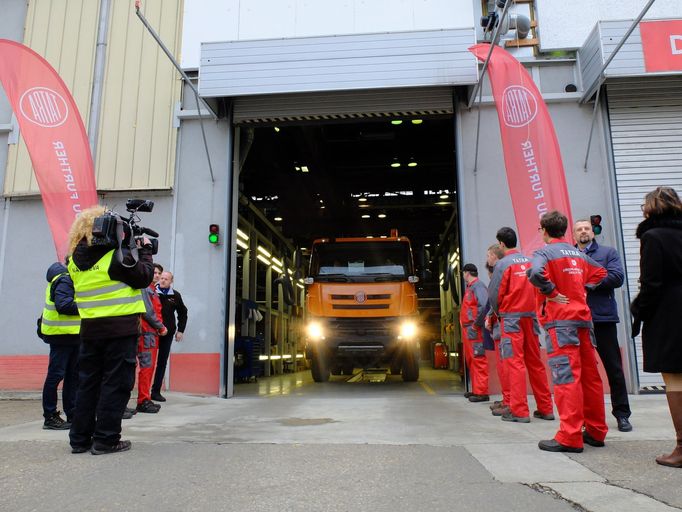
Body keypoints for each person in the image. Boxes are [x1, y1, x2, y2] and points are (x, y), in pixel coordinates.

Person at [67, 205, 154, 455]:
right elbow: (145, 276)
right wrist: (145, 249)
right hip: (120, 330)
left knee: (88, 384)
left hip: (90, 331)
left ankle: (80, 439)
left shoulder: (74, 261)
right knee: (116, 384)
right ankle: (106, 439)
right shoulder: (115, 258)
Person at [528, 210, 608, 453]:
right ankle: (595, 431)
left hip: (560, 322)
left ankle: (570, 436)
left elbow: (534, 273)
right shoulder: (578, 254)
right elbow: (602, 273)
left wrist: (552, 293)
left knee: (567, 378)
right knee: (590, 378)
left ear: (544, 230)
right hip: (583, 320)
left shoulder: (544, 252)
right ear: (564, 230)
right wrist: (580, 289)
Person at [631, 186, 682, 468]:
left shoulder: (653, 237)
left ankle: (681, 447)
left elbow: (651, 284)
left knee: (674, 379)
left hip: (669, 313)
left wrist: (637, 310)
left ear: (651, 208)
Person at [489, 227, 554, 424]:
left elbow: (494, 294)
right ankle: (545, 408)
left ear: (501, 243)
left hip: (511, 320)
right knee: (535, 363)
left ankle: (519, 410)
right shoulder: (530, 261)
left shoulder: (502, 264)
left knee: (514, 363)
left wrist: (499, 313)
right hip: (530, 318)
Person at [573, 219, 632, 433]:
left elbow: (617, 277)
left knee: (614, 369)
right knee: (579, 373)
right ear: (573, 235)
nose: (583, 232)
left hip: (602, 319)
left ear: (593, 232)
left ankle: (622, 415)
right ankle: (583, 418)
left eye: (586, 228)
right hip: (577, 320)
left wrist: (587, 284)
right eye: (579, 229)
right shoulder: (569, 256)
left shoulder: (608, 253)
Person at [39, 262, 81, 430]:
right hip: (60, 335)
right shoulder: (65, 279)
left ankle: (71, 413)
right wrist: (87, 306)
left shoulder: (72, 278)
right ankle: (50, 416)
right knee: (56, 375)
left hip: (73, 335)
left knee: (73, 376)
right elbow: (63, 305)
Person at [483, 244, 510, 416]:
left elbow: (494, 298)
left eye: (488, 255)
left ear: (494, 255)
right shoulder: (518, 265)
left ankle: (511, 403)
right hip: (510, 322)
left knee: (508, 365)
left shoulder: (501, 269)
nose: (487, 259)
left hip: (506, 324)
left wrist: (491, 316)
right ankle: (508, 400)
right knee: (507, 366)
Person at [152, 270, 188, 402]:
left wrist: (180, 330)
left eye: (166, 279)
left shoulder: (175, 296)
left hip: (167, 333)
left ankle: (155, 391)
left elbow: (183, 313)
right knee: (148, 362)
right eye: (161, 278)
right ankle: (143, 393)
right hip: (152, 332)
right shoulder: (152, 292)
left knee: (162, 362)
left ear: (171, 281)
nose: (162, 280)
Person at [136, 266, 167, 413]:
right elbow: (147, 312)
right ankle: (143, 400)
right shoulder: (146, 289)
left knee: (148, 368)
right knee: (146, 368)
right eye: (154, 272)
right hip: (147, 334)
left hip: (150, 334)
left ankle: (145, 398)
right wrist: (160, 327)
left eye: (159, 273)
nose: (157, 275)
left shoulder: (152, 290)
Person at [460, 263, 489, 402]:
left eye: (463, 273)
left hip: (473, 329)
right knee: (471, 359)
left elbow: (484, 306)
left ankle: (482, 392)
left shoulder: (478, 286)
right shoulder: (471, 288)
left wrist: (476, 325)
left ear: (467, 273)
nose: (462, 275)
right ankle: (477, 389)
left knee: (478, 358)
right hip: (469, 329)